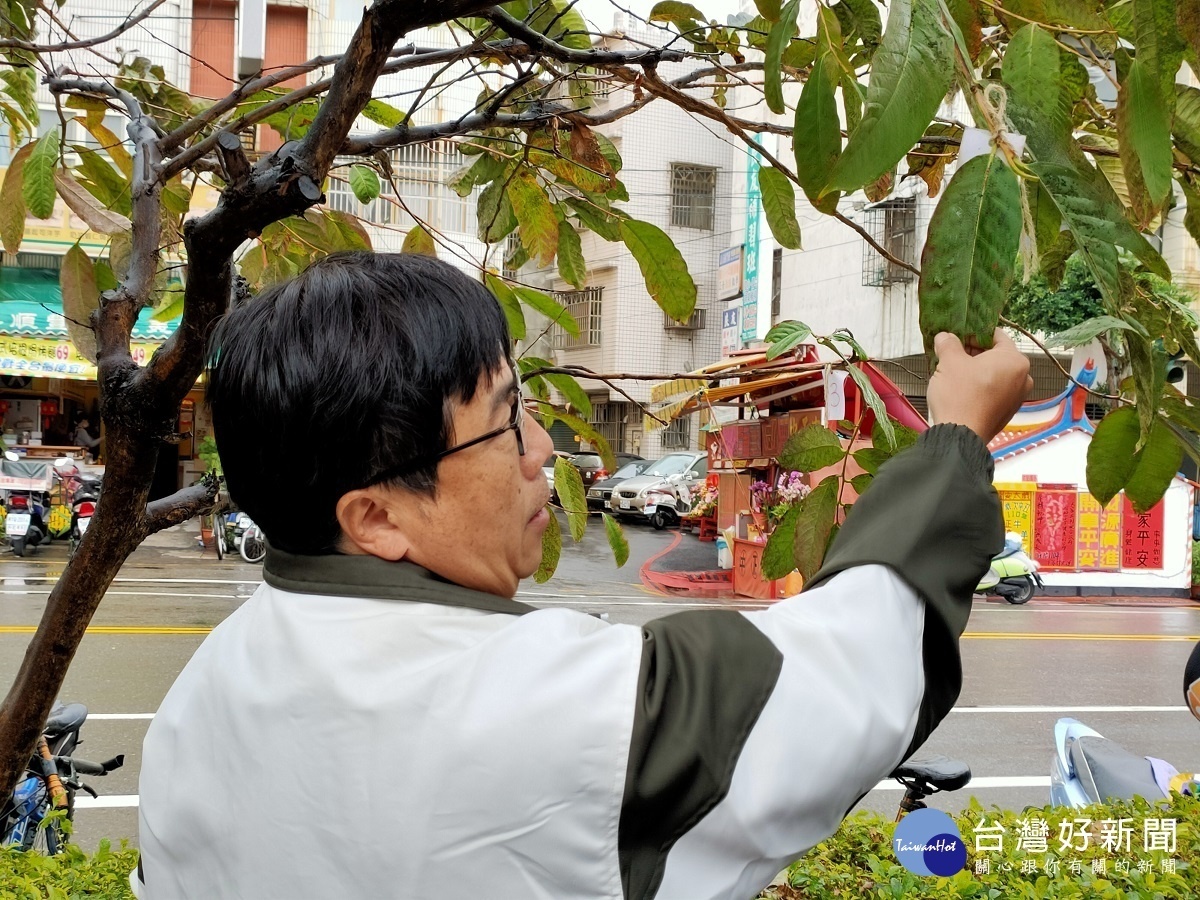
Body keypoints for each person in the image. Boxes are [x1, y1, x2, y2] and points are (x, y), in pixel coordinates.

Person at [134, 253, 1032, 900]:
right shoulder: (559, 704)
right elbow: (847, 671)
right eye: (502, 423)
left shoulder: (198, 700)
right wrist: (953, 442)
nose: (542, 452)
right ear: (376, 516)